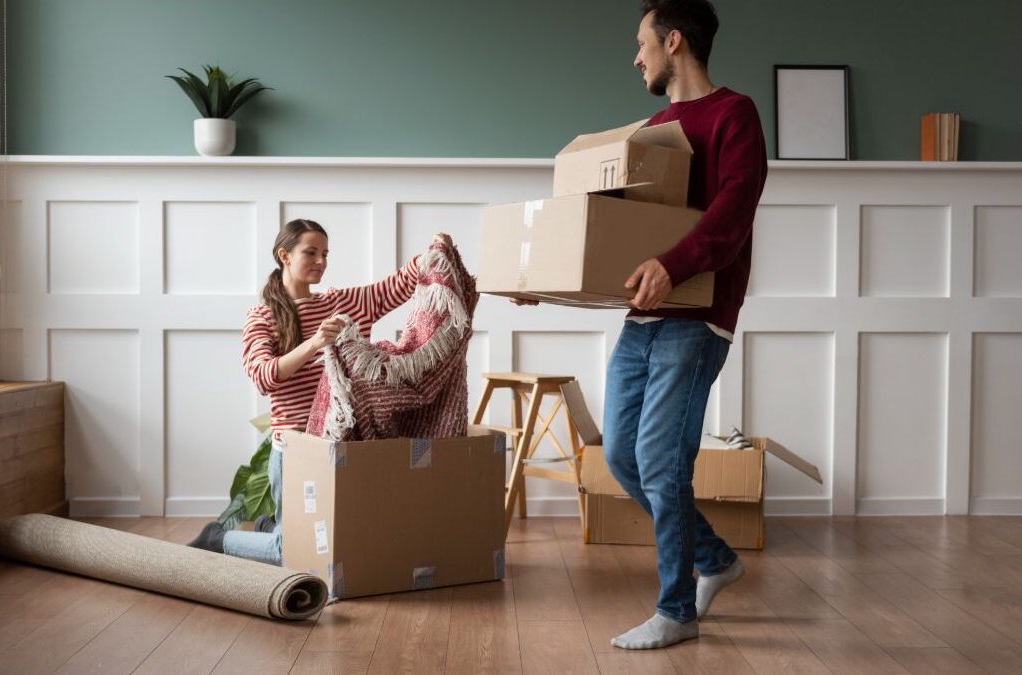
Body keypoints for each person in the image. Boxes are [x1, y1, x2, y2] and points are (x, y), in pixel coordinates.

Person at [514, 0, 767, 650]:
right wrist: (543, 282)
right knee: (622, 455)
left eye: (642, 43)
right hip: (646, 315)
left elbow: (733, 213)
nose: (636, 56)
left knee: (661, 459)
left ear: (673, 41)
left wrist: (674, 263)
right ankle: (715, 559)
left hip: (699, 316)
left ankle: (676, 609)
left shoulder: (733, 115)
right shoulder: (655, 128)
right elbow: (617, 236)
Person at [189, 219, 453, 564]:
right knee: (292, 553)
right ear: (284, 255)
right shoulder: (262, 316)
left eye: (325, 254)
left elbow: (395, 287)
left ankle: (270, 526)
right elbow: (262, 375)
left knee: (334, 535)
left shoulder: (340, 302)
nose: (321, 262)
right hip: (295, 448)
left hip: (335, 444)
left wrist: (435, 250)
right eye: (310, 252)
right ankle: (218, 538)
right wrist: (315, 343)